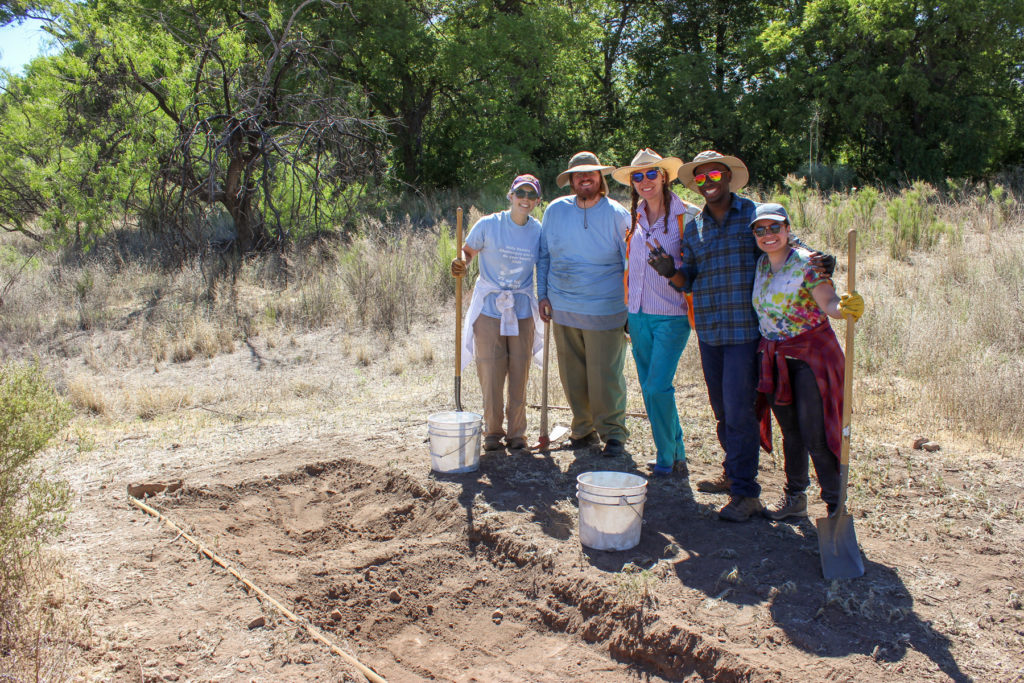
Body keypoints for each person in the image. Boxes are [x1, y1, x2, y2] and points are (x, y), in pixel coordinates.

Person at [659, 150, 833, 522]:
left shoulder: (751, 214)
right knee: (723, 411)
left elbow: (788, 242)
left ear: (728, 177)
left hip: (745, 333)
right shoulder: (694, 228)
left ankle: (745, 492)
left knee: (740, 411)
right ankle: (734, 472)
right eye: (701, 179)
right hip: (709, 330)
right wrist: (669, 272)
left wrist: (821, 259)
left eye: (715, 175)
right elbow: (689, 278)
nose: (708, 183)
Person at [749, 203, 865, 519]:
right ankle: (795, 497)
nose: (768, 234)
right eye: (760, 229)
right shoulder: (760, 265)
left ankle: (834, 505)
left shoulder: (808, 263)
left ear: (788, 229)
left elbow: (828, 301)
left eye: (775, 227)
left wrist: (845, 307)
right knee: (792, 433)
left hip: (809, 357)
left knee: (816, 434)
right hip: (775, 358)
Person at [610, 149, 699, 477]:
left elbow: (696, 267)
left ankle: (667, 457)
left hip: (672, 315)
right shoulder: (634, 218)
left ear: (664, 176)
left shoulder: (687, 215)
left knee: (658, 385)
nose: (645, 181)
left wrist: (672, 269)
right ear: (632, 183)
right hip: (637, 316)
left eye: (651, 174)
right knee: (649, 385)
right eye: (638, 176)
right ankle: (676, 453)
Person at [537, 151, 631, 457]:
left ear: (600, 177)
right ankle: (583, 430)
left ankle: (613, 434)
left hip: (605, 308)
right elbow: (544, 255)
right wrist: (542, 294)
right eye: (578, 175)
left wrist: (631, 307)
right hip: (563, 306)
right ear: (571, 181)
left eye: (590, 173)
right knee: (572, 375)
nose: (585, 178)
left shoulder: (617, 214)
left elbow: (630, 262)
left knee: (605, 377)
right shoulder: (555, 211)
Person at [451, 174, 545, 452]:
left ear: (538, 201)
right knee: (491, 371)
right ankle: (492, 431)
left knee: (519, 370)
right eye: (520, 193)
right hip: (490, 309)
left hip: (522, 309)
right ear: (511, 195)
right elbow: (467, 252)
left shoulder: (538, 231)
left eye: (531, 195)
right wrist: (462, 262)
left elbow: (547, 263)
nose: (525, 199)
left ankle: (517, 433)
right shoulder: (489, 224)